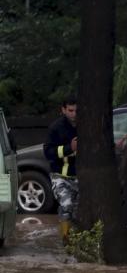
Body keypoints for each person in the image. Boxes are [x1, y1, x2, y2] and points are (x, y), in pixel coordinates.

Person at [43, 97, 79, 243]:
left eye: (77, 111)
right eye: (70, 110)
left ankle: (78, 238)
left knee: (79, 210)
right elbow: (48, 152)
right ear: (63, 110)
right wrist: (69, 148)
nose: (74, 114)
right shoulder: (56, 128)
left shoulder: (85, 125)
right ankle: (66, 239)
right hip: (60, 176)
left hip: (81, 176)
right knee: (66, 205)